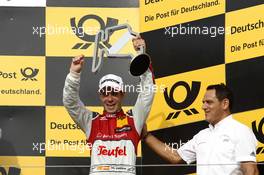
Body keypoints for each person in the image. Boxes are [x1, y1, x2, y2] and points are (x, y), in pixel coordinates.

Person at [63, 36, 155, 175]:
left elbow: (148, 91)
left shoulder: (134, 118)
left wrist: (141, 56)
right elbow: (70, 103)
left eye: (114, 93)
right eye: (105, 94)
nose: (110, 98)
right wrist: (74, 74)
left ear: (122, 94)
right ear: (100, 96)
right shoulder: (91, 122)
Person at [142, 83, 259, 175]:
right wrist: (147, 136)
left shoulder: (241, 131)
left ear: (225, 104)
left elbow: (251, 171)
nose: (203, 107)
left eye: (209, 102)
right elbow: (176, 157)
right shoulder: (202, 135)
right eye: (203, 102)